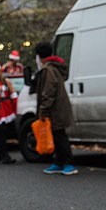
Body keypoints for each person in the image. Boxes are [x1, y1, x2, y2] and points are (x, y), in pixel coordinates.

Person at [34, 42, 77, 175]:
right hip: (57, 108)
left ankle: (68, 163)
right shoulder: (53, 67)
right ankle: (58, 162)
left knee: (60, 136)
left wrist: (43, 109)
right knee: (56, 135)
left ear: (39, 56)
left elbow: (49, 91)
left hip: (55, 109)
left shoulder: (48, 70)